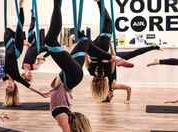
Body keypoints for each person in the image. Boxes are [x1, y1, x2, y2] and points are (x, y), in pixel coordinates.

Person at [44, 0, 133, 131]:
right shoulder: (60, 113)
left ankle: (113, 57)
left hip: (73, 74)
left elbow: (85, 63)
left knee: (84, 41)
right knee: (53, 41)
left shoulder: (62, 110)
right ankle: (113, 57)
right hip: (73, 75)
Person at [3, 0, 48, 107]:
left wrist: (3, 79)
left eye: (8, 87)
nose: (9, 85)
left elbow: (3, 79)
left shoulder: (4, 76)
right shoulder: (17, 77)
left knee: (8, 30)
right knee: (19, 25)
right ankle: (21, 6)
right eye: (11, 87)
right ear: (15, 86)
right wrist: (41, 93)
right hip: (16, 50)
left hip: (9, 47)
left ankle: (19, 37)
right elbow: (29, 86)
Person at [22, 9, 48, 81]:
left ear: (24, 76)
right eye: (31, 76)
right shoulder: (34, 68)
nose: (30, 75)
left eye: (28, 76)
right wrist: (40, 60)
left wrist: (25, 43)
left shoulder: (22, 67)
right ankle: (47, 55)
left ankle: (33, 15)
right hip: (37, 49)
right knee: (50, 48)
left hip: (31, 45)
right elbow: (39, 64)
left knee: (30, 30)